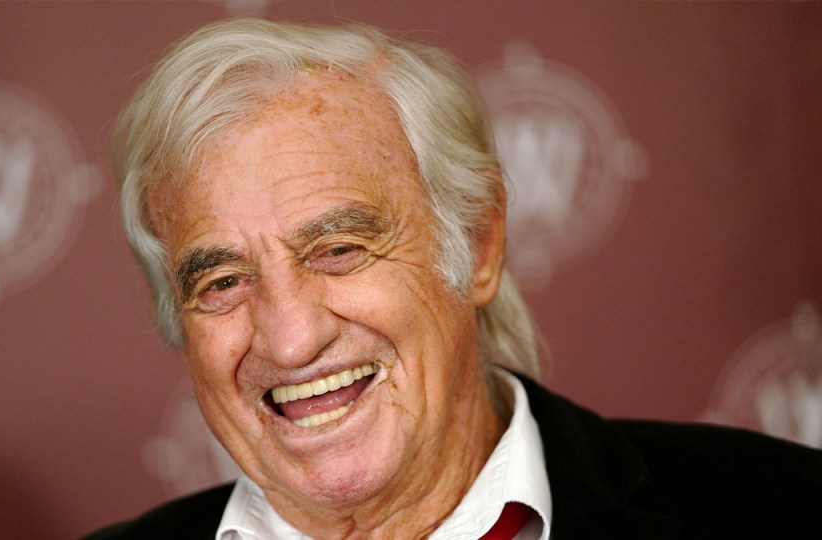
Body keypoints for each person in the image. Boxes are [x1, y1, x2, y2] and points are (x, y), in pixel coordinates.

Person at [88, 18, 822, 540]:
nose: (290, 338)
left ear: (477, 245)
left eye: (339, 248)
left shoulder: (781, 509)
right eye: (222, 282)